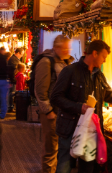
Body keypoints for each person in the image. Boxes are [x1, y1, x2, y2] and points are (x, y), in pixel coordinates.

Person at [51, 39, 112, 173]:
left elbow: (111, 97)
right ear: (95, 53)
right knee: (64, 167)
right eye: (104, 56)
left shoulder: (99, 76)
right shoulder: (70, 71)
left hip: (90, 132)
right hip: (69, 128)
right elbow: (55, 97)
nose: (105, 60)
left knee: (88, 168)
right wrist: (79, 107)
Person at [34, 35, 74, 173]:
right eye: (65, 48)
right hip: (52, 113)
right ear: (56, 48)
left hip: (63, 112)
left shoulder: (66, 62)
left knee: (61, 149)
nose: (68, 50)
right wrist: (48, 111)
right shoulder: (46, 62)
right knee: (51, 150)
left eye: (69, 47)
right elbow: (40, 90)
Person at [7, 47, 23, 112]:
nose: (21, 56)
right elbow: (16, 67)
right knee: (12, 93)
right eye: (21, 54)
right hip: (12, 78)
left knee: (12, 93)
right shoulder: (14, 59)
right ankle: (10, 107)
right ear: (18, 53)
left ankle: (10, 106)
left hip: (13, 78)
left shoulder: (14, 59)